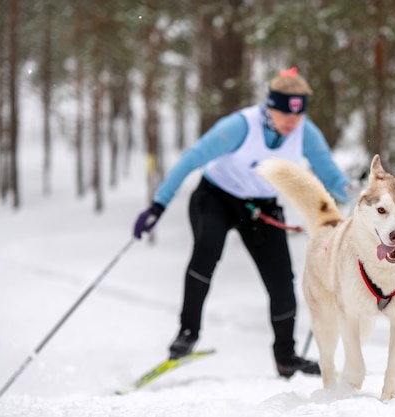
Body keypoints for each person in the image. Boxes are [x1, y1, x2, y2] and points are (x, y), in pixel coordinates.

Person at [133, 67, 357, 378]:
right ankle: (187, 333)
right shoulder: (240, 126)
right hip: (215, 198)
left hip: (260, 208)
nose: (292, 122)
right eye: (285, 114)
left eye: (298, 115)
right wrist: (158, 204)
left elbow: (330, 175)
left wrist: (355, 192)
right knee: (207, 252)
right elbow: (191, 159)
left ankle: (286, 356)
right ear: (270, 106)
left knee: (282, 279)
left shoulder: (305, 131)